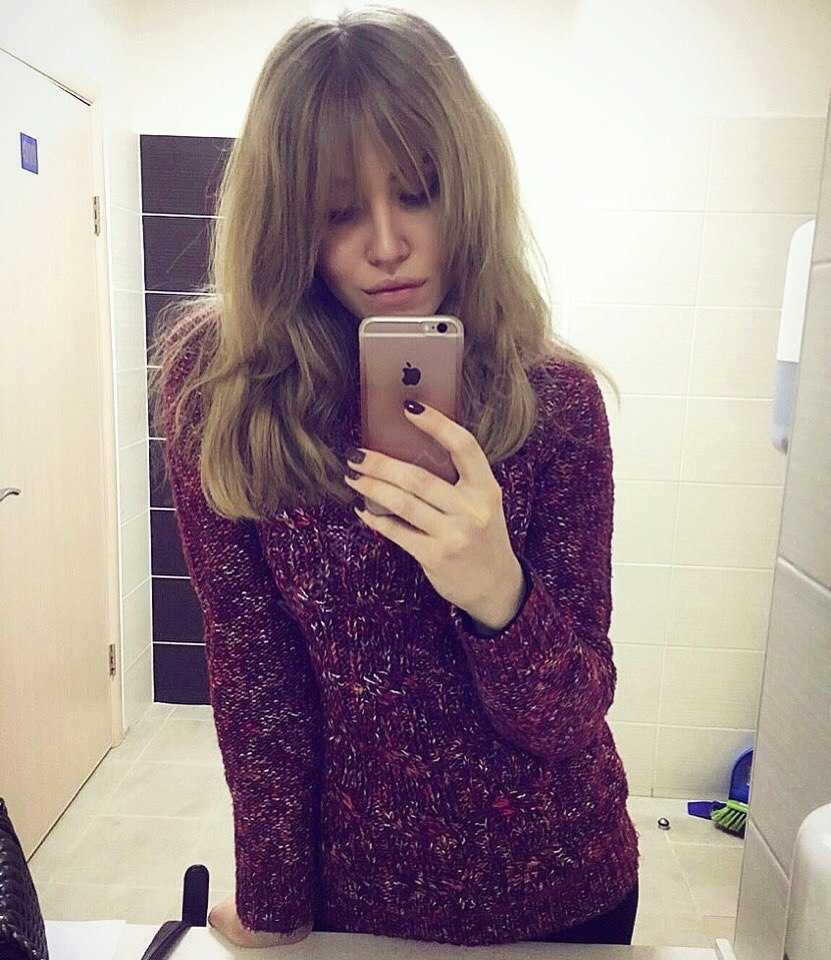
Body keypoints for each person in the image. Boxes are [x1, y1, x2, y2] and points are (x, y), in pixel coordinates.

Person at [148, 4, 639, 950]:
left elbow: (573, 713)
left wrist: (497, 593)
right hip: (352, 900)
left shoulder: (555, 398)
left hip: (562, 891)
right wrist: (273, 905)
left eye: (417, 192)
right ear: (284, 214)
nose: (385, 243)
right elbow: (254, 672)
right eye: (337, 209)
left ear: (470, 189)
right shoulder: (225, 384)